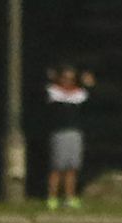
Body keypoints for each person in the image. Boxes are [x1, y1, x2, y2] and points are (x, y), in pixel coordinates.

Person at [45, 67, 95, 210]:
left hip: (75, 133)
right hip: (59, 133)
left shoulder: (79, 94)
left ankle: (70, 197)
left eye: (71, 78)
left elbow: (93, 102)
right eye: (65, 78)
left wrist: (90, 85)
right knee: (57, 168)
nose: (68, 81)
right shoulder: (53, 92)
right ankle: (52, 198)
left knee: (72, 168)